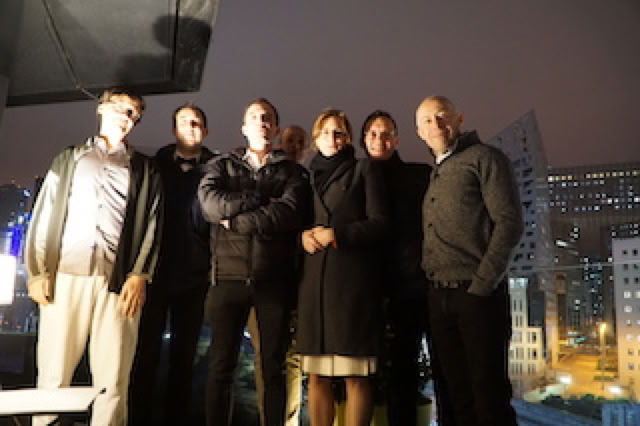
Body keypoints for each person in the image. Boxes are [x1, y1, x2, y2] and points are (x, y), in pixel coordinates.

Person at [25, 87, 163, 426]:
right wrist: (37, 272)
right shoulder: (70, 159)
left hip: (117, 283)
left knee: (113, 378)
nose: (125, 116)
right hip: (65, 277)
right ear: (101, 108)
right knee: (53, 373)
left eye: (133, 113)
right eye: (120, 107)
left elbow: (152, 224)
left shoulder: (144, 169)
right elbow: (43, 216)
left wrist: (139, 274)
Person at [198, 98, 311, 426]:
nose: (262, 121)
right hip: (227, 278)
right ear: (244, 127)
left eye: (268, 118)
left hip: (273, 280)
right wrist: (258, 197)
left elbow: (288, 213)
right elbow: (211, 206)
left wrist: (235, 221)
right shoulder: (221, 166)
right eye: (255, 117)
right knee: (221, 367)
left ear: (275, 129)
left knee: (273, 367)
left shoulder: (292, 172)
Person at [416, 95, 523, 426]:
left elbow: (510, 223)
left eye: (442, 116)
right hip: (439, 296)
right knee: (454, 397)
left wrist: (481, 285)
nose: (436, 124)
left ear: (459, 119)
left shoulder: (485, 158)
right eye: (427, 120)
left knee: (489, 398)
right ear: (419, 132)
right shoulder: (436, 171)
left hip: (477, 296)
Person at [297, 108, 389, 426]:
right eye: (325, 132)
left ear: (348, 138)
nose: (332, 138)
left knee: (355, 375)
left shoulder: (363, 169)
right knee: (317, 375)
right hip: (314, 287)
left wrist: (338, 234)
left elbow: (381, 223)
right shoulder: (306, 177)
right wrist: (301, 238)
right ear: (315, 138)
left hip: (352, 286)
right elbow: (295, 222)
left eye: (339, 133)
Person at [128, 103, 216, 426]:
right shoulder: (155, 166)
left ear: (205, 130)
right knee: (144, 356)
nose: (191, 127)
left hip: (195, 275)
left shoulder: (216, 170)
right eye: (184, 122)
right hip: (155, 272)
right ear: (173, 129)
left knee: (184, 359)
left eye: (197, 122)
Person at [360, 110, 433, 426]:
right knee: (365, 373)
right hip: (367, 290)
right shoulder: (355, 178)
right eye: (373, 133)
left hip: (411, 286)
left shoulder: (419, 176)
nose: (380, 139)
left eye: (387, 133)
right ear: (364, 140)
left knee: (406, 370)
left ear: (397, 139)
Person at [248, 123, 310, 426]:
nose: (294, 146)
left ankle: (290, 419)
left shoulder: (309, 180)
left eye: (300, 141)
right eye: (289, 140)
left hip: (299, 279)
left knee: (295, 357)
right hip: (267, 278)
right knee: (267, 356)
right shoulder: (269, 179)